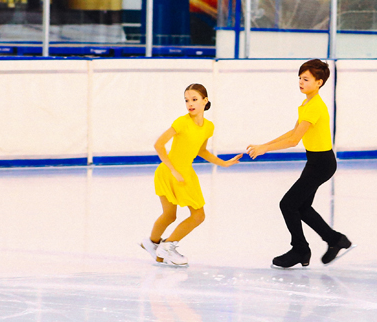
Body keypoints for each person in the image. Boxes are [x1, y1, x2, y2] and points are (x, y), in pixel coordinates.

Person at [245, 59, 353, 269]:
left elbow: (294, 140)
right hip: (316, 162)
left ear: (319, 82)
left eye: (306, 79)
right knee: (301, 207)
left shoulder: (314, 107)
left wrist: (265, 149)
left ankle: (300, 249)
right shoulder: (307, 104)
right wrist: (264, 145)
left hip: (321, 164)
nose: (301, 82)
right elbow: (294, 132)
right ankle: (335, 239)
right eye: (300, 78)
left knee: (288, 204)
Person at [140, 83, 242, 268]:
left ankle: (158, 244)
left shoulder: (209, 127)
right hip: (168, 172)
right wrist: (173, 170)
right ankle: (160, 245)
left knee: (197, 216)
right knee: (170, 215)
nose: (190, 104)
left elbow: (202, 151)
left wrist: (224, 163)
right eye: (187, 100)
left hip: (186, 173)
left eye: (194, 99)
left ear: (205, 100)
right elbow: (159, 145)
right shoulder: (181, 122)